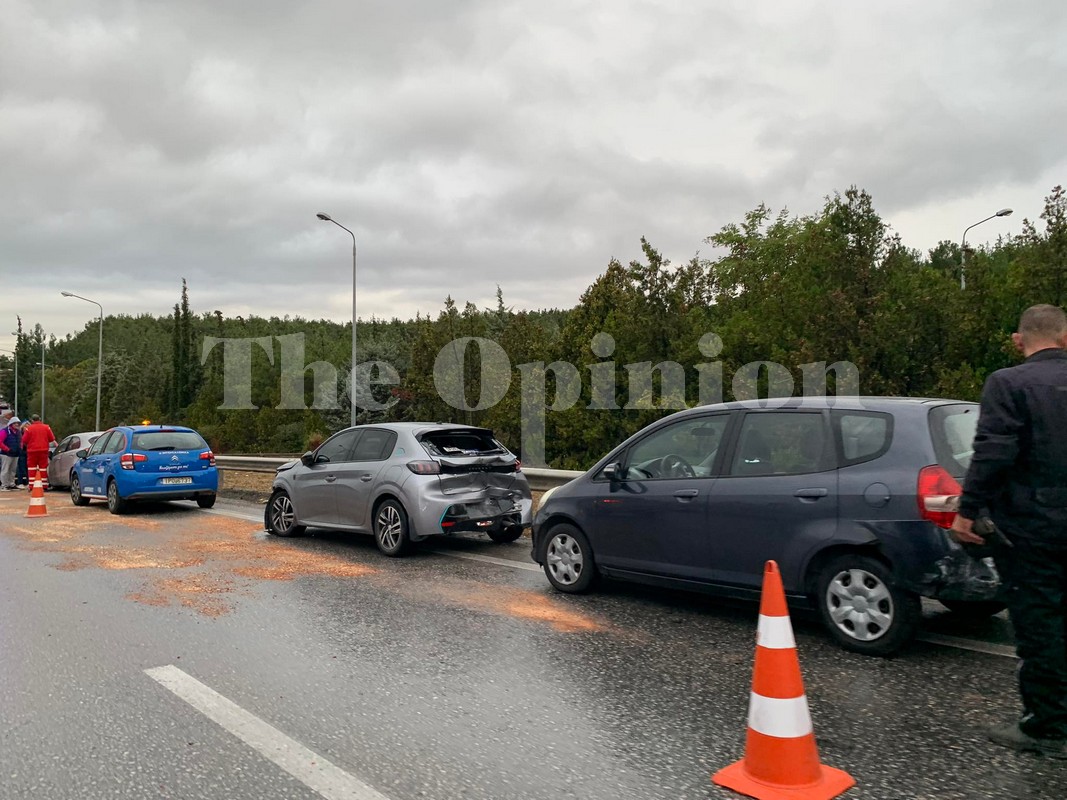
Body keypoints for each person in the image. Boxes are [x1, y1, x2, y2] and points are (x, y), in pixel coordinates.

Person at [951, 304, 1067, 758]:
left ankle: (1049, 728)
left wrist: (967, 511)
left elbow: (993, 453)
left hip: (1034, 530)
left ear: (1019, 342)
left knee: (1041, 625)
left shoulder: (1009, 383)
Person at [21, 414, 57, 490]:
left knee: (31, 468)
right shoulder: (46, 427)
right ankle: (44, 486)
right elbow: (52, 438)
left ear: (32, 420)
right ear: (40, 419)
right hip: (44, 450)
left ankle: (31, 486)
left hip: (32, 451)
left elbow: (24, 440)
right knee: (43, 468)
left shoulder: (29, 429)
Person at [0, 415, 19, 490]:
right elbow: (0, 442)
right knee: (5, 470)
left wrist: (19, 449)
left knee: (13, 470)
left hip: (15, 453)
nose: (17, 424)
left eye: (17, 423)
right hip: (6, 454)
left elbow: (20, 441)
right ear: (11, 424)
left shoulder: (17, 432)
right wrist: (7, 449)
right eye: (15, 423)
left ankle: (11, 483)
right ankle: (4, 484)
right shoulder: (4, 431)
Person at [15, 419, 30, 488]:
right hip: (21, 452)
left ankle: (28, 482)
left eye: (28, 427)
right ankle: (20, 482)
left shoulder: (30, 434)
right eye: (25, 427)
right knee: (21, 467)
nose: (26, 428)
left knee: (28, 468)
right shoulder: (19, 434)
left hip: (29, 452)